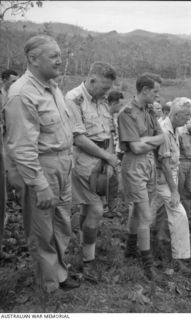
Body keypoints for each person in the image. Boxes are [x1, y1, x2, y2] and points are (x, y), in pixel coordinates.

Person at [4, 35, 79, 292]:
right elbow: (22, 148)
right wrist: (39, 184)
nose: (60, 61)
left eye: (60, 55)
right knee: (41, 229)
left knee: (61, 223)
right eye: (54, 56)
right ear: (33, 59)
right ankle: (48, 286)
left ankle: (59, 274)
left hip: (63, 165)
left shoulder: (53, 87)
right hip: (42, 168)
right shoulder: (22, 93)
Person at [65, 61, 120, 282]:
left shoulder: (102, 100)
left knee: (89, 208)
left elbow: (107, 130)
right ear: (92, 80)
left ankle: (81, 246)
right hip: (83, 162)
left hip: (101, 161)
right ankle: (88, 260)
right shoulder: (73, 99)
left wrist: (108, 158)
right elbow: (78, 137)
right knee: (96, 210)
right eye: (104, 88)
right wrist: (106, 156)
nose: (107, 92)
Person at [118, 73, 164, 280]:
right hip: (135, 165)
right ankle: (147, 264)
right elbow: (135, 148)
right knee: (145, 215)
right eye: (155, 91)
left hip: (149, 165)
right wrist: (150, 140)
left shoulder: (149, 111)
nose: (157, 95)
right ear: (144, 90)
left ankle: (130, 249)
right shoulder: (127, 113)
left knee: (137, 210)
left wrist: (148, 139)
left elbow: (162, 136)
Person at [151, 97, 191, 273]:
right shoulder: (164, 131)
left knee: (154, 215)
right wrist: (175, 192)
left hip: (168, 178)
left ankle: (151, 251)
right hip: (163, 179)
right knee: (179, 215)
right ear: (175, 114)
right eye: (186, 116)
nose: (188, 119)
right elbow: (165, 165)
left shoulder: (175, 128)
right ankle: (180, 258)